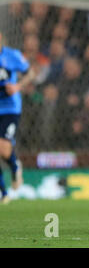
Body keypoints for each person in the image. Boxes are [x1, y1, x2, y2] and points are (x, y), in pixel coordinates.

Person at [0, 32, 35, 204]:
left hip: (10, 109)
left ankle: (14, 166)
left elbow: (30, 73)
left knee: (3, 148)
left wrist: (17, 86)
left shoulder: (11, 55)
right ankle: (3, 193)